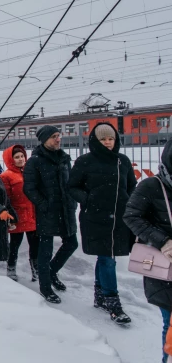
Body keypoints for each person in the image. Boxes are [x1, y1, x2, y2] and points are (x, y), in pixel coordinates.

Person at [68, 123, 136, 324]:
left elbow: (132, 186)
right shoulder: (84, 161)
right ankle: (113, 303)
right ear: (95, 141)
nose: (107, 142)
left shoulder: (122, 161)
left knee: (106, 256)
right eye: (103, 139)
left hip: (118, 217)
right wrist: (88, 199)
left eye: (111, 139)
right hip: (95, 217)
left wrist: (128, 202)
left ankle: (100, 295)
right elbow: (72, 186)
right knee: (108, 258)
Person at [124, 140, 172, 361]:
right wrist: (163, 241)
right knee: (171, 325)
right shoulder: (151, 186)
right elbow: (131, 216)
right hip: (166, 269)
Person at [23, 125, 78, 304]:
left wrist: (72, 200)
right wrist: (44, 204)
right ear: (44, 139)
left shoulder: (64, 158)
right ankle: (45, 287)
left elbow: (70, 182)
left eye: (58, 136)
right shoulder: (35, 161)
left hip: (66, 209)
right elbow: (29, 188)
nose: (58, 139)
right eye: (54, 136)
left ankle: (51, 272)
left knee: (72, 243)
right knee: (45, 250)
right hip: (47, 211)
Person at [0, 145, 38, 282]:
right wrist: (11, 214)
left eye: (22, 156)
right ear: (11, 159)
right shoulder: (6, 176)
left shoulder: (29, 172)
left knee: (35, 245)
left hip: (32, 214)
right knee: (15, 245)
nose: (21, 159)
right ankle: (11, 268)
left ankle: (36, 270)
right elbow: (6, 197)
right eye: (17, 157)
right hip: (17, 215)